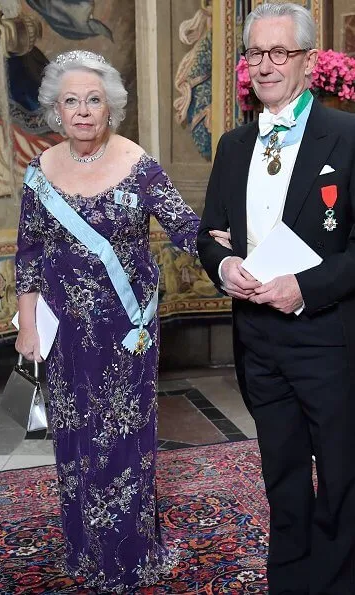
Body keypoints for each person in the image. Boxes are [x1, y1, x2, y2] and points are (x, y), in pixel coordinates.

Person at [14, 49, 202, 593]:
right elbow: (28, 252)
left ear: (110, 108)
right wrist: (28, 325)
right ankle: (85, 549)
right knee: (73, 440)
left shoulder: (138, 164)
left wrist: (225, 248)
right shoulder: (40, 171)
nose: (82, 111)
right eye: (70, 101)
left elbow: (183, 225)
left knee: (123, 441)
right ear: (55, 110)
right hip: (65, 334)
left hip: (128, 333)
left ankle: (128, 556)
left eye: (93, 100)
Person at [197, 3, 355, 595]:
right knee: (282, 475)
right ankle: (288, 580)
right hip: (257, 339)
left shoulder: (348, 136)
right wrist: (225, 264)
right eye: (255, 53)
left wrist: (304, 289)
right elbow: (207, 231)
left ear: (309, 61)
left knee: (340, 475)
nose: (265, 66)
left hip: (327, 335)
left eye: (279, 52)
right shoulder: (234, 145)